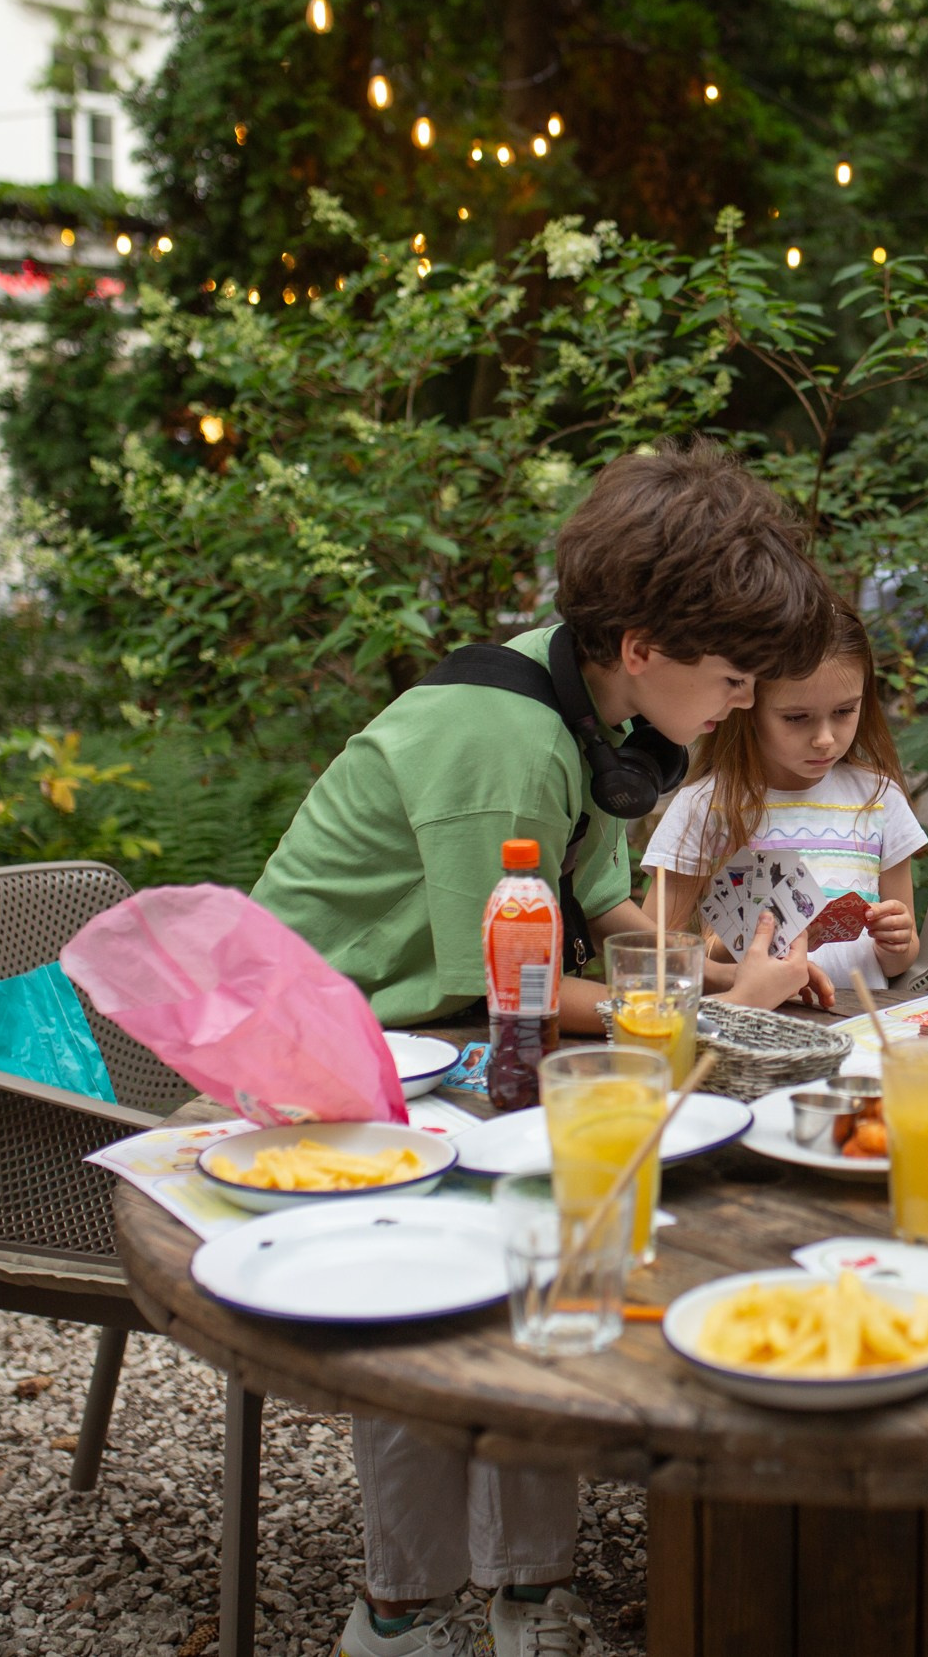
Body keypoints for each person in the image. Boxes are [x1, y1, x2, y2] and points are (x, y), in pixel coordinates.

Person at [250, 439, 838, 1657]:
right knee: (461, 1264)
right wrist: (686, 1014)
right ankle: (403, 1610)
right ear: (644, 649)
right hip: (338, 1054)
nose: (739, 705)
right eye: (732, 680)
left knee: (571, 1230)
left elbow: (607, 919)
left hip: (454, 1029)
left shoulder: (591, 700)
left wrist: (730, 977)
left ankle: (526, 1583)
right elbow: (501, 980)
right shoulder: (504, 737)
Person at [643, 600, 925, 991]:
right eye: (796, 717)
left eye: (845, 711)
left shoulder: (879, 799)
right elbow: (653, 952)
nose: (825, 739)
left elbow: (901, 962)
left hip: (862, 1024)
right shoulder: (707, 805)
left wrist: (898, 942)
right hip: (752, 1022)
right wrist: (730, 944)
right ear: (747, 706)